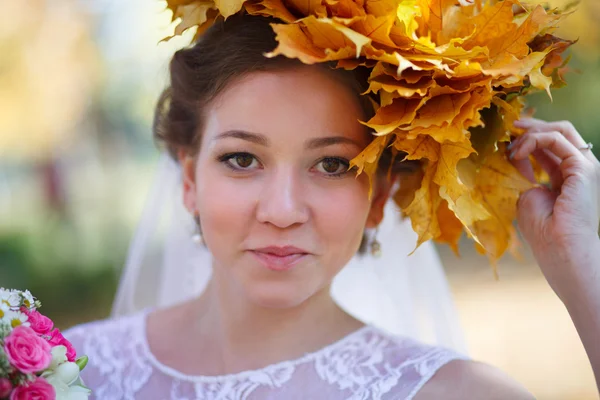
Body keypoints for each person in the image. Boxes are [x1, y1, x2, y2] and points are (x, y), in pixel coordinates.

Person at [65, 13, 600, 400]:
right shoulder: (69, 370)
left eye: (334, 165)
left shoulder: (457, 394)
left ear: (381, 197)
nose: (282, 210)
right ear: (189, 179)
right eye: (242, 158)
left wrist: (582, 265)